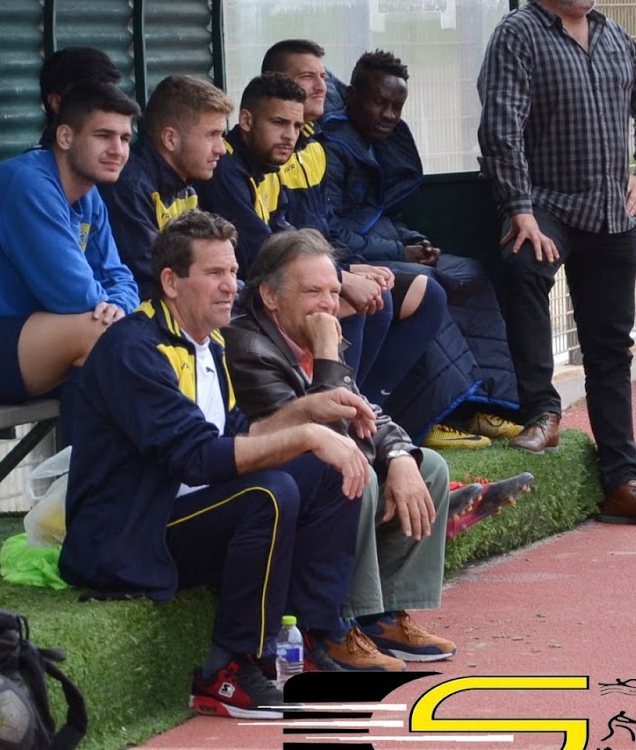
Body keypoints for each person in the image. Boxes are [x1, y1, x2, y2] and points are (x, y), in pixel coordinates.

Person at [59, 210, 371, 717]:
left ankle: (310, 639)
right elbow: (198, 459)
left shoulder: (212, 342)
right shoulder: (134, 349)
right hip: (127, 539)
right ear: (171, 282)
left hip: (184, 515)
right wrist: (308, 435)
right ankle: (227, 669)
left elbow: (237, 436)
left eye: (233, 272)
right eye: (214, 273)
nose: (231, 286)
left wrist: (306, 412)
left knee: (326, 473)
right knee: (269, 492)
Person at [224, 231, 530, 668]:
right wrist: (327, 352)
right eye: (312, 292)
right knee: (353, 473)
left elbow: (363, 409)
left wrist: (401, 456)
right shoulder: (248, 346)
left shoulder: (305, 331)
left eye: (333, 292)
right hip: (275, 485)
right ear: (271, 296)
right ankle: (338, 624)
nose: (327, 305)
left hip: (317, 468)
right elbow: (324, 429)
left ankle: (382, 618)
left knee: (429, 467)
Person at [477, 0, 636, 526]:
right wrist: (519, 208)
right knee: (522, 271)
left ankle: (622, 482)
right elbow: (500, 130)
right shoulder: (517, 35)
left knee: (610, 349)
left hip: (611, 212)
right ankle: (542, 413)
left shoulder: (613, 34)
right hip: (544, 203)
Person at [262, 41, 484, 451]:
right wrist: (347, 273)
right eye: (306, 77)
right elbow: (281, 241)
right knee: (384, 298)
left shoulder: (313, 147)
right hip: (282, 282)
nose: (319, 86)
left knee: (435, 285)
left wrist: (399, 246)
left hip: (331, 262)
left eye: (321, 76)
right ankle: (353, 419)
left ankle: (375, 414)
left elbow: (327, 226)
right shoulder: (296, 150)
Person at [197, 71, 441, 421]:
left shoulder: (272, 163)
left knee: (416, 293)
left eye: (297, 126)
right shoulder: (228, 169)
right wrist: (341, 279)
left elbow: (299, 236)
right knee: (354, 301)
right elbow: (261, 256)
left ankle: (365, 410)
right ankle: (337, 412)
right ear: (247, 121)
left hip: (276, 279)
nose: (290, 135)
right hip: (251, 291)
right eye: (279, 123)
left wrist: (350, 268)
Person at [318, 49, 523, 441]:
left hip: (384, 249)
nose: (388, 115)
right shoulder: (332, 148)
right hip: (350, 260)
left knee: (470, 274)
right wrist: (400, 253)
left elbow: (384, 213)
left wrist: (413, 240)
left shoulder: (380, 145)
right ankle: (429, 417)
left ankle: (475, 405)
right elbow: (331, 232)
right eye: (379, 102)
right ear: (352, 97)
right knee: (426, 287)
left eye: (397, 107)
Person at [0, 81, 141, 404]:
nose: (118, 150)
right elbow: (73, 296)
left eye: (125, 138)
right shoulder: (29, 184)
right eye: (103, 136)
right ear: (65, 137)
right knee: (104, 335)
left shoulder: (89, 195)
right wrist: (116, 315)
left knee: (134, 339)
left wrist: (119, 307)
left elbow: (119, 276)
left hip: (30, 335)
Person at [101, 75, 233, 297]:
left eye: (221, 135)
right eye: (212, 135)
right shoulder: (131, 188)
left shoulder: (185, 183)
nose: (221, 148)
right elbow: (154, 277)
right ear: (170, 139)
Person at [37, 46, 123, 147]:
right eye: (95, 99)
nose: (109, 107)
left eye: (111, 97)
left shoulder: (118, 153)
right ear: (56, 103)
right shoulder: (37, 158)